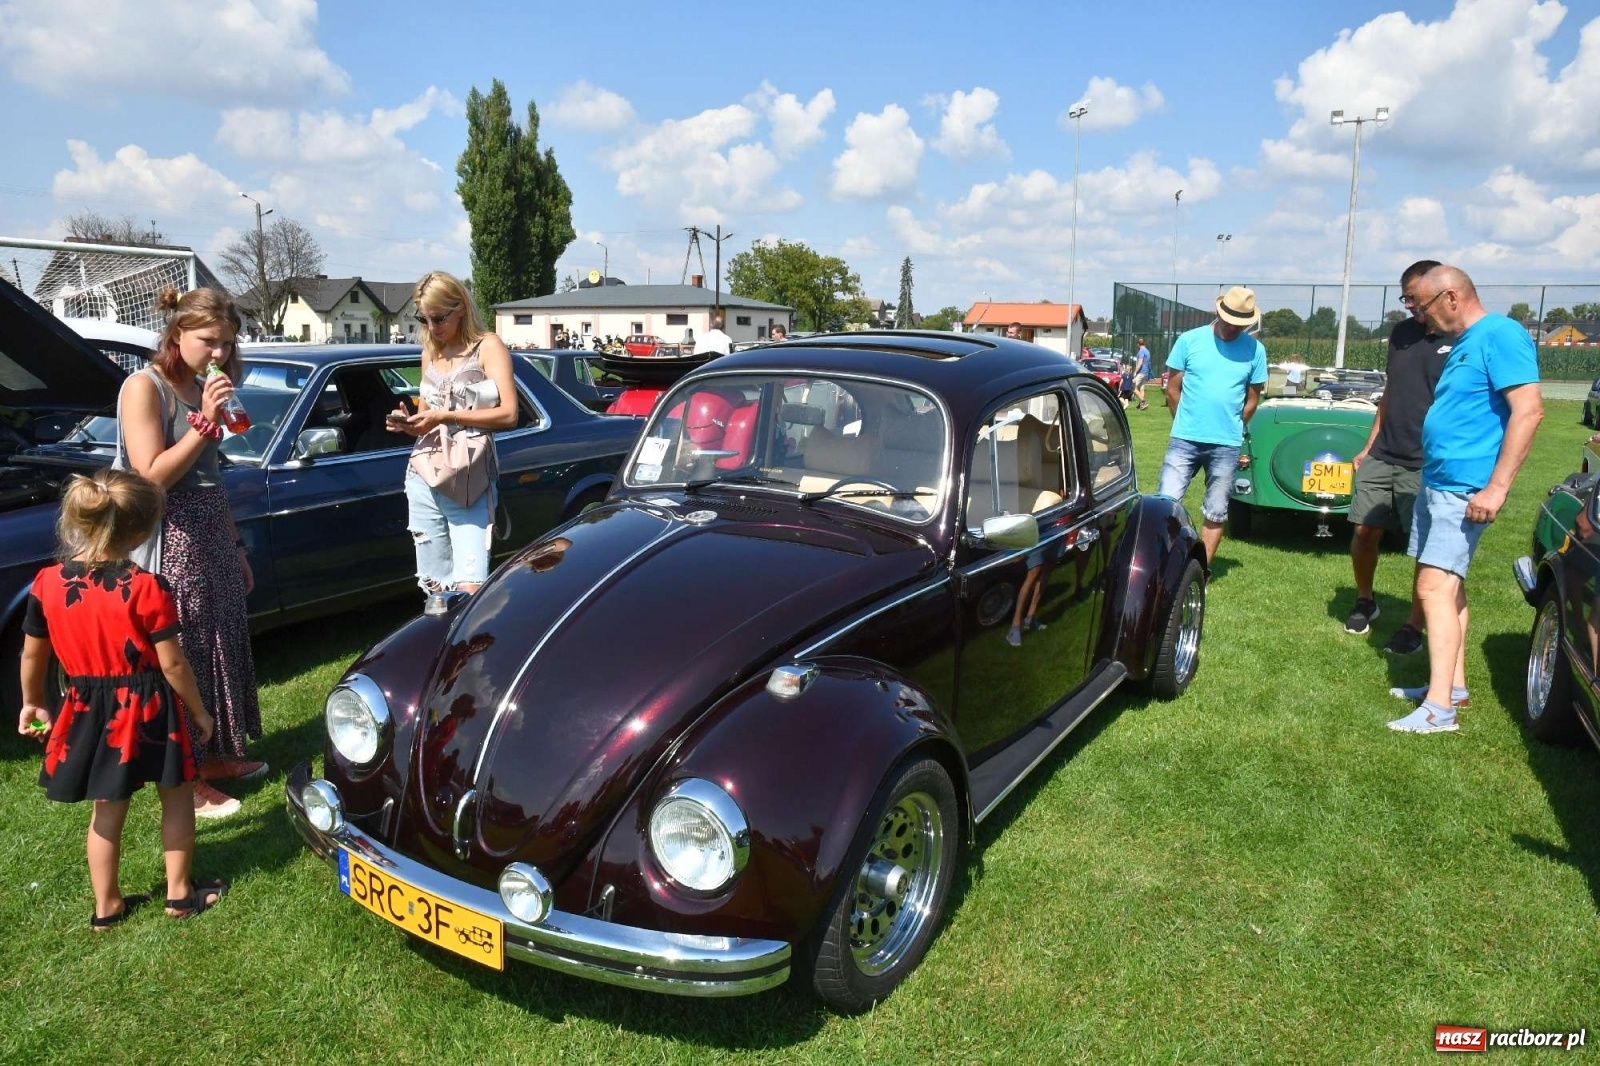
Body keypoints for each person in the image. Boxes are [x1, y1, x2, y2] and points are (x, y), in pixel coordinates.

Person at [17, 469, 227, 926]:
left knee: (106, 811)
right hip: (150, 707)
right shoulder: (148, 588)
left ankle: (106, 907)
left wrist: (33, 701)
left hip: (89, 709)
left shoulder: (47, 584)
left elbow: (33, 654)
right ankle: (178, 894)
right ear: (140, 530)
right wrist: (199, 711)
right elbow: (173, 665)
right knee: (175, 797)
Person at [121, 286, 262, 818]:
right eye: (209, 341)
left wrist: (237, 544)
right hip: (170, 533)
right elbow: (150, 475)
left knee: (222, 640)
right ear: (176, 333)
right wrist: (204, 422)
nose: (220, 354)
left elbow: (210, 478)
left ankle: (219, 754)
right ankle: (188, 773)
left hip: (210, 529)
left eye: (227, 343)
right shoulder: (145, 387)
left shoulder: (204, 384)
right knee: (185, 653)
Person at [1388, 265, 1543, 734]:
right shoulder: (1465, 342)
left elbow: (1528, 410)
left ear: (1452, 298)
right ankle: (1452, 687)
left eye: (1426, 306)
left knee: (1432, 588)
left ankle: (1438, 711)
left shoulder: (1502, 335)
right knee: (1449, 587)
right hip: (1439, 482)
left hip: (1465, 490)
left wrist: (1495, 488)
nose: (1422, 318)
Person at [392, 271, 518, 599]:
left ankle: (470, 649)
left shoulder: (487, 347)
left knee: (470, 587)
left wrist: (447, 415)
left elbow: (509, 414)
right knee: (434, 587)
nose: (432, 327)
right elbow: (428, 416)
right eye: (424, 318)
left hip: (469, 477)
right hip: (423, 475)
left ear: (460, 307)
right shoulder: (430, 352)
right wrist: (411, 423)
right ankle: (441, 649)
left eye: (438, 317)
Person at [1345, 260, 1451, 645]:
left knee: (1424, 545)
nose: (1409, 305)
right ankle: (1364, 600)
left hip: (1427, 460)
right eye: (1405, 297)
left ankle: (1414, 623)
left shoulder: (1460, 339)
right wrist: (1370, 444)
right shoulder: (1401, 334)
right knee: (1363, 529)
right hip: (1384, 452)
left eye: (1414, 297)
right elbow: (1392, 391)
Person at [1158, 286, 1268, 565]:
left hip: (1227, 445)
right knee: (1165, 505)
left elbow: (1253, 400)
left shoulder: (1256, 350)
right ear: (1218, 312)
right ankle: (1164, 566)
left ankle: (1200, 572)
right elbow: (1172, 389)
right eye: (1229, 320)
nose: (1233, 327)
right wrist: (1184, 422)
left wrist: (1232, 427)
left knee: (1216, 511)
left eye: (1240, 323)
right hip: (1184, 439)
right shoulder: (1189, 340)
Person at [1133, 338, 1152, 409]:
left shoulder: (1141, 351)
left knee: (1133, 388)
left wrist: (1135, 372)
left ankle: (1143, 402)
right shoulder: (1147, 351)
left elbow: (1140, 362)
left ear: (1138, 344)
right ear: (1144, 343)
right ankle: (1141, 405)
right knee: (1141, 388)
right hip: (1146, 372)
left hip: (1141, 372)